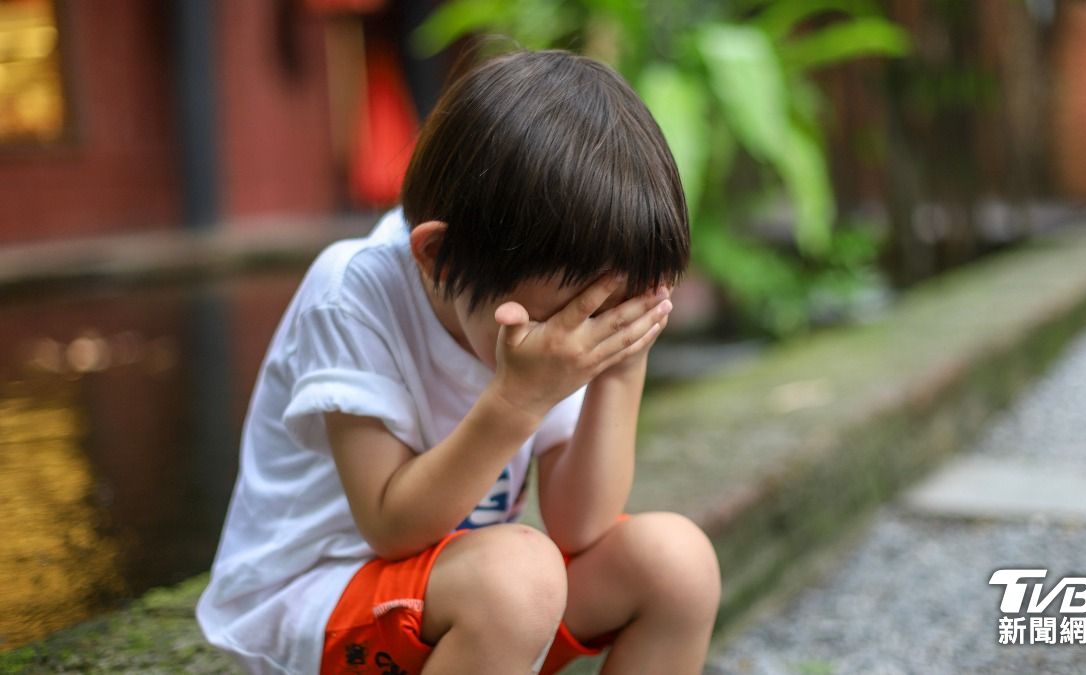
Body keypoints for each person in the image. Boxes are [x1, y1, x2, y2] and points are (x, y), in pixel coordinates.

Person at [196, 49, 721, 675]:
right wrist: (517, 400)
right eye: (573, 319)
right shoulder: (354, 293)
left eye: (608, 313)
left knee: (676, 562)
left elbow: (581, 527)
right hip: (317, 610)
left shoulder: (556, 300)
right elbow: (392, 527)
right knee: (518, 578)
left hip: (465, 607)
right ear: (440, 259)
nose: (581, 333)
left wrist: (620, 368)